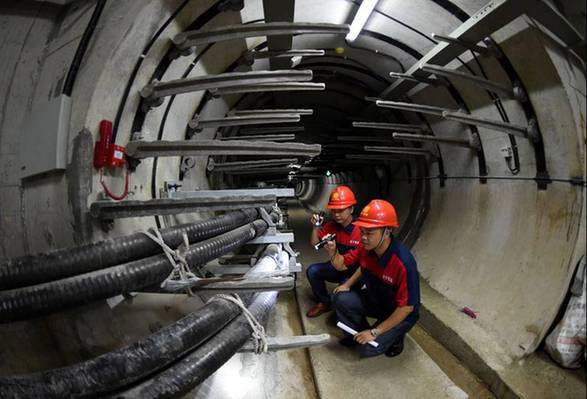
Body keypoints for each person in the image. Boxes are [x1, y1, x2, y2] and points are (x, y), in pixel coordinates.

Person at [328, 199, 420, 358]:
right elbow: (360, 267)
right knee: (340, 297)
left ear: (387, 231)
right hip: (378, 301)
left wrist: (375, 331)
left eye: (369, 233)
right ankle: (357, 335)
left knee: (367, 349)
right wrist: (348, 284)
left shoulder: (403, 262)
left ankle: (395, 336)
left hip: (399, 311)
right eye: (362, 231)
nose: (363, 237)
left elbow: (406, 308)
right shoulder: (367, 249)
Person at [306, 186, 362, 318]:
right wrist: (316, 228)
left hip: (355, 273)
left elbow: (361, 266)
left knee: (340, 301)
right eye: (334, 210)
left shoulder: (360, 231)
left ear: (351, 209)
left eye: (341, 210)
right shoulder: (331, 226)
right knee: (313, 271)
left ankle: (338, 300)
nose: (337, 214)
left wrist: (348, 285)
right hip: (338, 265)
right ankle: (324, 302)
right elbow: (315, 244)